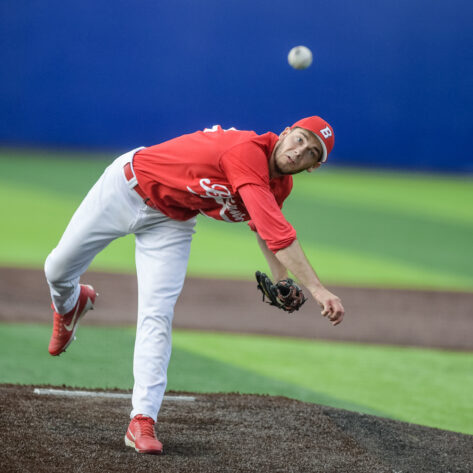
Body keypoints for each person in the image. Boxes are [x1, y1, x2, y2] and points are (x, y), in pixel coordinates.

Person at [44, 115, 345, 455]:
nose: (299, 151)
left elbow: (262, 226)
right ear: (286, 132)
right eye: (300, 139)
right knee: (57, 269)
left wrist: (283, 281)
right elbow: (277, 231)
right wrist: (317, 289)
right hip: (125, 189)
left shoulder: (280, 185)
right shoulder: (247, 151)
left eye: (311, 152)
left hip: (172, 222)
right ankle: (70, 304)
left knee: (157, 314)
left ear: (313, 167)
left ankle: (143, 419)